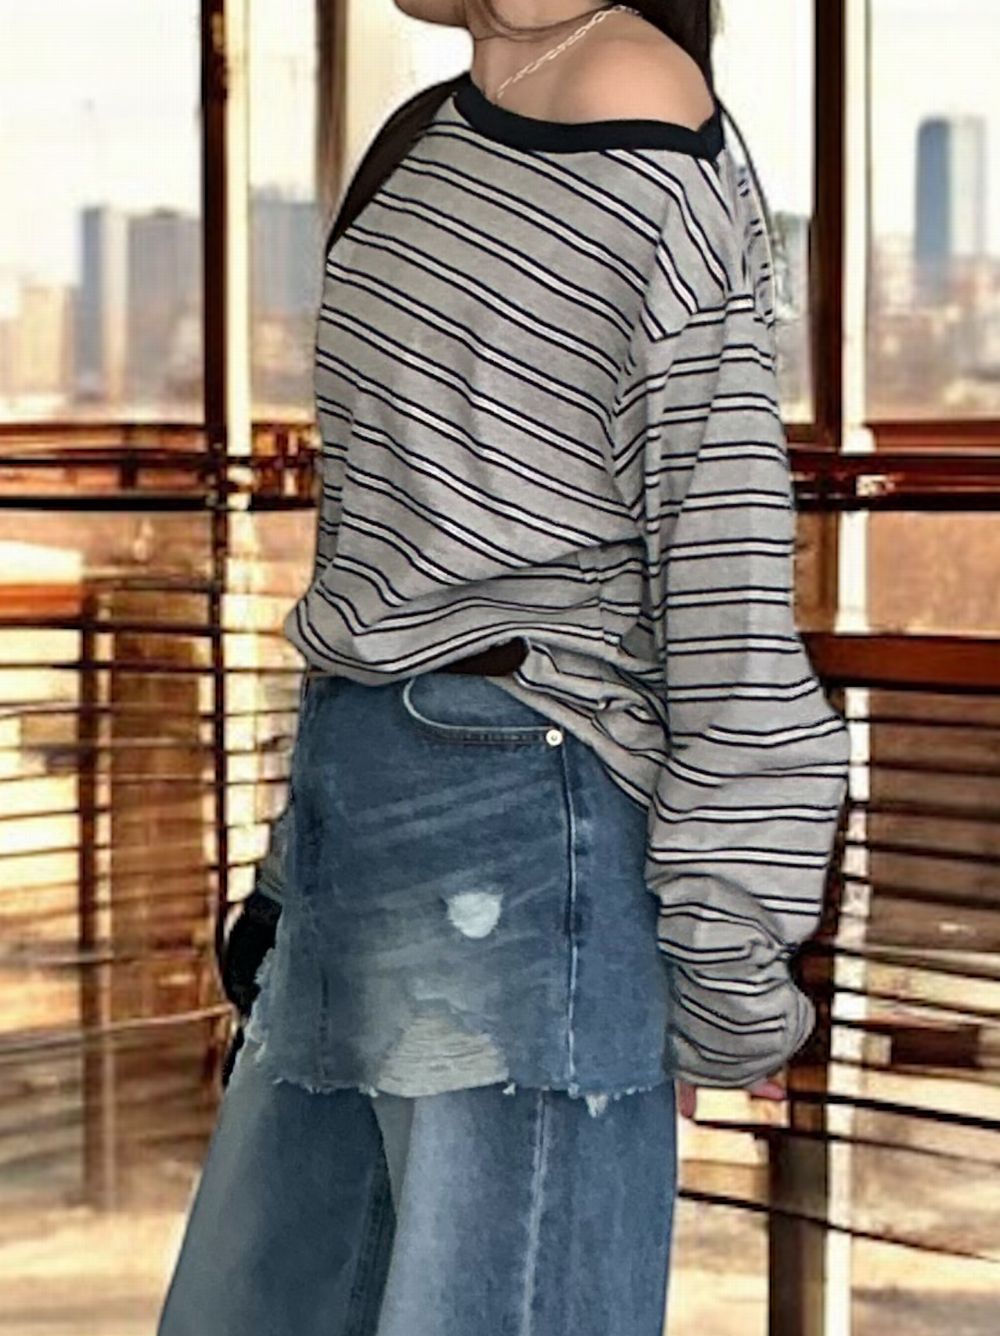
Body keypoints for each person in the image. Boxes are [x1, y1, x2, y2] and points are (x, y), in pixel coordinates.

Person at [157, 4, 850, 1334]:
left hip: (487, 842)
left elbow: (720, 578)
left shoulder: (629, 129)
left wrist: (724, 959)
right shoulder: (430, 134)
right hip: (411, 837)